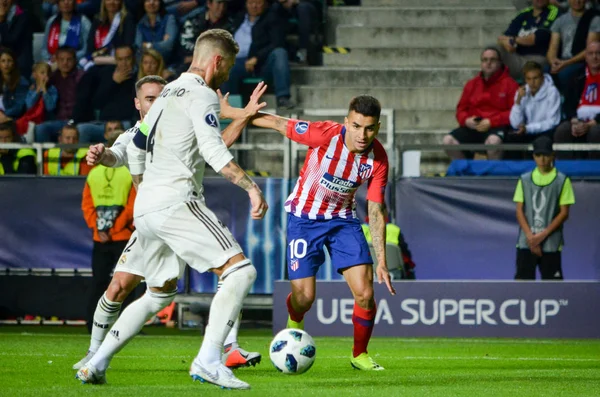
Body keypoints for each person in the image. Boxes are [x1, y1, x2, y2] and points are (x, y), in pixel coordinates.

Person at [76, 29, 269, 389]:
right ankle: (210, 359)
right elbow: (214, 153)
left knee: (157, 295)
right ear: (216, 62)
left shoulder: (167, 92)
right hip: (176, 200)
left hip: (146, 206)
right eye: (226, 68)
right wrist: (251, 187)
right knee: (240, 272)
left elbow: (136, 141)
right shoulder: (200, 94)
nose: (226, 75)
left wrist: (106, 154)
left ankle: (96, 362)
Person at [223, 94, 396, 370]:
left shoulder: (378, 159)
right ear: (346, 122)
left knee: (365, 293)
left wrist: (382, 262)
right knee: (304, 298)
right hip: (304, 218)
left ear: (377, 128)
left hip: (343, 221)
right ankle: (294, 326)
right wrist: (234, 112)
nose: (362, 135)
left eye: (369, 128)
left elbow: (375, 211)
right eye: (356, 126)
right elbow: (279, 124)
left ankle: (359, 354)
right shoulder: (324, 134)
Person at [81, 127, 137, 334]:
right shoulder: (131, 170)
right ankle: (127, 327)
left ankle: (91, 324)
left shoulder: (94, 173)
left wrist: (99, 227)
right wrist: (115, 228)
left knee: (98, 282)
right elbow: (133, 205)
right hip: (123, 235)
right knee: (128, 283)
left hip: (100, 237)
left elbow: (86, 206)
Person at [513, 135, 575, 280]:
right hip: (526, 242)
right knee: (522, 286)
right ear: (533, 156)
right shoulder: (524, 179)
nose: (542, 159)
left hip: (551, 243)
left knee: (553, 288)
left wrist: (541, 236)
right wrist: (531, 237)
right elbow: (519, 211)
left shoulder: (562, 180)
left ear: (553, 155)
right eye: (538, 155)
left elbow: (564, 213)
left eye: (546, 155)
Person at [443, 47, 519, 160]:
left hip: (496, 126)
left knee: (494, 142)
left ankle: (494, 175)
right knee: (448, 141)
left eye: (492, 60)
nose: (488, 63)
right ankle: (465, 173)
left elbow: (515, 113)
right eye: (485, 60)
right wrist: (466, 121)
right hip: (473, 127)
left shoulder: (510, 84)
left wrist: (491, 122)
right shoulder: (471, 84)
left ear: (499, 63)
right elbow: (461, 110)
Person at [554, 40, 600, 158]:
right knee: (563, 130)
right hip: (579, 120)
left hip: (597, 122)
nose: (595, 57)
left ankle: (595, 173)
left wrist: (592, 123)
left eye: (598, 53)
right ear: (585, 57)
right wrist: (574, 120)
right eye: (591, 53)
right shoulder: (576, 76)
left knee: (596, 131)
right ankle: (565, 170)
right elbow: (568, 104)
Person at [506, 61, 561, 157]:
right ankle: (514, 170)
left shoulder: (552, 92)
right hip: (527, 131)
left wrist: (528, 128)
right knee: (511, 138)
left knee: (541, 141)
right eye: (529, 79)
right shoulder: (522, 92)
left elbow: (553, 122)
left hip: (546, 131)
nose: (532, 82)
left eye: (535, 78)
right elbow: (515, 124)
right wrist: (518, 101)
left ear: (542, 78)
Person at [547, 0, 600, 93]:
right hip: (562, 61)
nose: (577, 1)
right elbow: (553, 47)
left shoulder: (594, 19)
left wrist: (566, 63)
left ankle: (568, 104)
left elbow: (590, 50)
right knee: (544, 70)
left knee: (565, 74)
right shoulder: (560, 20)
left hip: (582, 61)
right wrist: (553, 62)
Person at [497, 0, 559, 80]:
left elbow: (536, 39)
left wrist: (512, 40)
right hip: (517, 56)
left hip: (538, 57)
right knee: (493, 49)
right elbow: (503, 37)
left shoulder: (553, 11)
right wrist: (507, 42)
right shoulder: (524, 13)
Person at [40, 0, 92, 65]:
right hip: (53, 62)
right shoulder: (52, 21)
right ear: (58, 3)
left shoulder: (84, 22)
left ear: (74, 3)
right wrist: (50, 58)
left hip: (75, 62)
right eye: (62, 0)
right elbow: (44, 49)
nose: (66, 2)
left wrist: (67, 57)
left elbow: (87, 49)